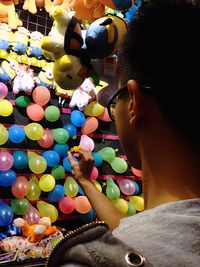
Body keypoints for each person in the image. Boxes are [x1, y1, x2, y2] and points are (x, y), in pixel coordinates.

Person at [67, 0, 200, 266]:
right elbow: (139, 233)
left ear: (135, 103)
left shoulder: (91, 260)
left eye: (116, 100)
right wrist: (86, 182)